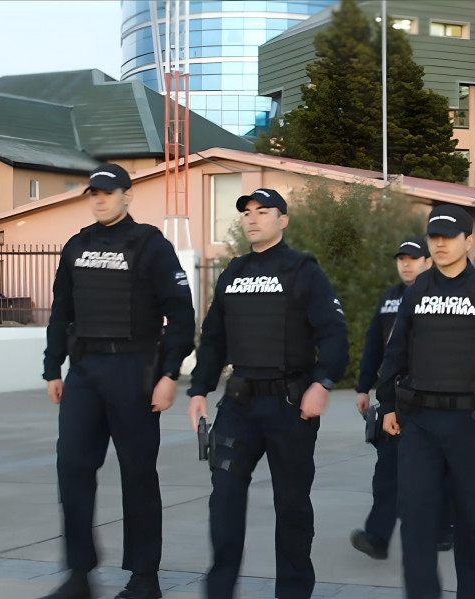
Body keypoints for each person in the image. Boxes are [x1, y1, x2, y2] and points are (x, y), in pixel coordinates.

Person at [40, 163, 196, 599]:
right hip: (85, 372)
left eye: (108, 192)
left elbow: (182, 316)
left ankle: (145, 577)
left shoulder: (151, 245)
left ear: (128, 195)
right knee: (71, 468)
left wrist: (169, 375)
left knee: (138, 475)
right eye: (93, 192)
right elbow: (61, 313)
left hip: (135, 371)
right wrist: (53, 368)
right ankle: (78, 575)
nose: (99, 198)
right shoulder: (76, 246)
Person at [187, 188, 349, 599]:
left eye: (263, 211)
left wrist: (322, 383)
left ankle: (293, 592)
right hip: (238, 404)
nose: (252, 218)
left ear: (283, 219)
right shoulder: (233, 272)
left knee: (291, 506)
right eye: (247, 212)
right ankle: (219, 589)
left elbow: (333, 334)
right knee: (223, 498)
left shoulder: (303, 271)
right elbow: (214, 338)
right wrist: (200, 389)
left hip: (289, 405)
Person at [377, 204, 475, 599]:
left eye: (448, 236)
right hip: (420, 424)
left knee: (473, 523)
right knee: (415, 520)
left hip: (472, 424)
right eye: (434, 236)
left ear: (469, 241)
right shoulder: (417, 291)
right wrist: (388, 403)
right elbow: (395, 355)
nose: (441, 243)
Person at [352, 237, 453, 558]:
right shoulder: (390, 298)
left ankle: (442, 529)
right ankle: (377, 538)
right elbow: (374, 346)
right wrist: (363, 386)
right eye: (401, 258)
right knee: (387, 472)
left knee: (437, 470)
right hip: (395, 400)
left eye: (413, 258)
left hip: (433, 400)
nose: (406, 264)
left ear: (427, 261)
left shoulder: (441, 293)